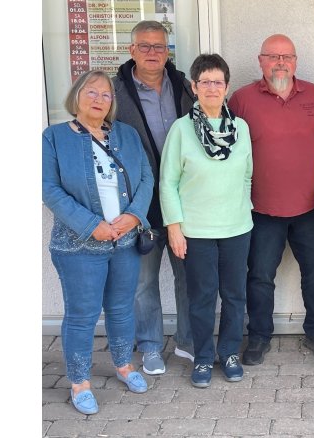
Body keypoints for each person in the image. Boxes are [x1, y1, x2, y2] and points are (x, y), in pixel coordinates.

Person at [42, 70, 154, 414]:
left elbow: (147, 177)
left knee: (121, 308)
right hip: (78, 245)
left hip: (124, 240)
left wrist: (134, 216)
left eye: (106, 95)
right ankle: (79, 382)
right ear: (76, 96)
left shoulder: (127, 135)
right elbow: (50, 189)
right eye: (92, 92)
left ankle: (123, 366)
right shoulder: (54, 137)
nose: (99, 100)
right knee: (82, 314)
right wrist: (92, 225)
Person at [228, 34, 314, 365]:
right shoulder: (241, 100)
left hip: (311, 207)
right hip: (261, 209)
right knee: (259, 275)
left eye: (287, 56)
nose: (280, 63)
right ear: (260, 61)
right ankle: (259, 336)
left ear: (296, 61)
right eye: (273, 56)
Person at [160, 53, 253, 389]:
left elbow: (246, 176)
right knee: (201, 297)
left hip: (236, 228)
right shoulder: (181, 130)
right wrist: (175, 226)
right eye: (205, 82)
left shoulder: (240, 128)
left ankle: (228, 353)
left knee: (234, 295)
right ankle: (202, 357)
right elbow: (168, 182)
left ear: (227, 87)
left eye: (218, 82)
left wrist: (242, 209)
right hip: (195, 231)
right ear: (194, 87)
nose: (212, 87)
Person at [113, 20, 196, 375]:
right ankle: (149, 346)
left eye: (159, 46)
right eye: (144, 46)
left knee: (189, 275)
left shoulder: (183, 86)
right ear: (131, 50)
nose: (152, 53)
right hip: (139, 203)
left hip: (183, 200)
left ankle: (189, 342)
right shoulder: (114, 93)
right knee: (143, 280)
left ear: (168, 51)